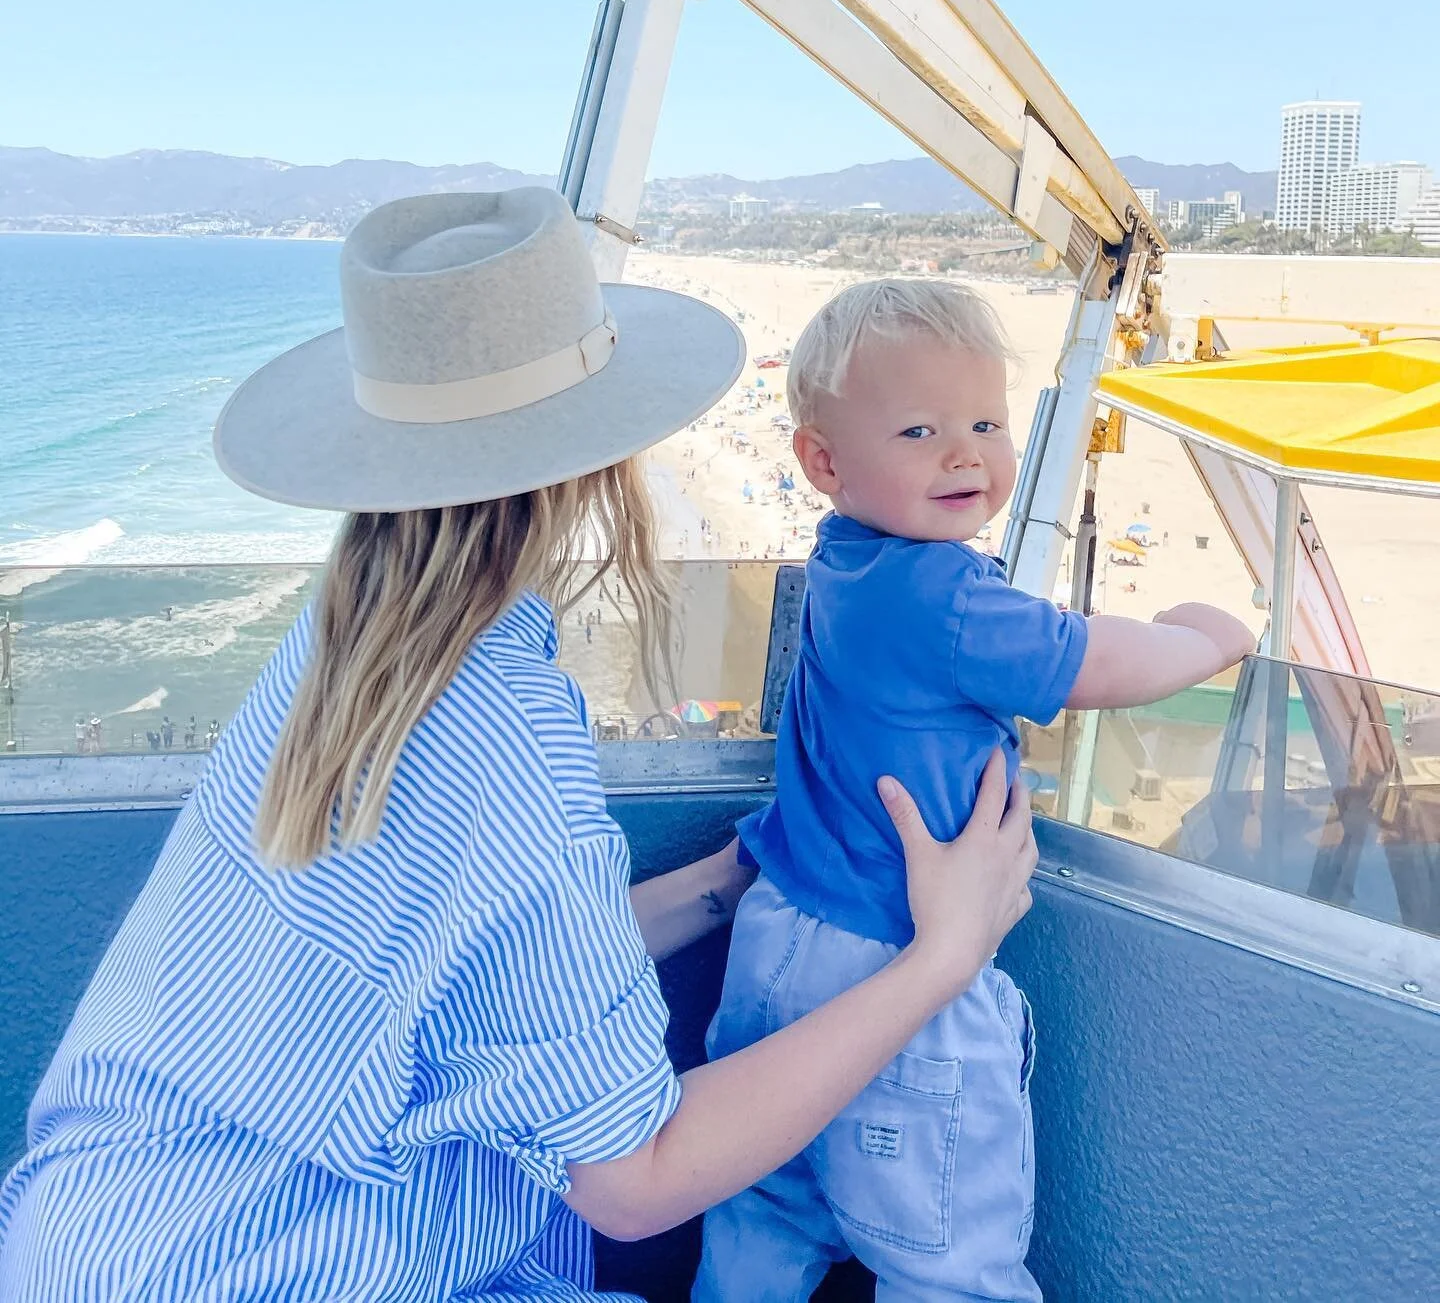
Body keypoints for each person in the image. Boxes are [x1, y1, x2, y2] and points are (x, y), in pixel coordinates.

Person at [0, 194, 1037, 1302]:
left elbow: (492, 959)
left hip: (98, 1239)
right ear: (600, 453)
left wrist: (738, 878)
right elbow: (637, 1180)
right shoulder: (505, 734)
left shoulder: (343, 639)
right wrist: (944, 953)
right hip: (269, 1266)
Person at [695, 278, 1255, 1303]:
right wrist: (1205, 635)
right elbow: (1091, 664)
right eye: (919, 429)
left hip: (777, 942)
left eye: (988, 422)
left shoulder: (843, 559)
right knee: (949, 1264)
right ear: (823, 462)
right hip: (896, 966)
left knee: (759, 1224)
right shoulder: (944, 593)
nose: (965, 452)